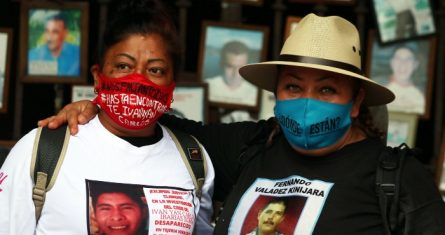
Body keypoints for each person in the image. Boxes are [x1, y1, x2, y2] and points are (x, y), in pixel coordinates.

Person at [39, 13, 445, 234]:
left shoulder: (396, 177)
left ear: (356, 102)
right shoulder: (252, 145)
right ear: (276, 93)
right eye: (292, 86)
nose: (305, 102)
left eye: (326, 91)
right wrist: (96, 104)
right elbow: (153, 122)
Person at [0, 0, 215, 234]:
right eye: (123, 66)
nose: (137, 80)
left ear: (173, 85)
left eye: (155, 70)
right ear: (98, 78)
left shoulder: (194, 162)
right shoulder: (42, 151)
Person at [205, 40, 257, 106]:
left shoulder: (254, 93)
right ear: (221, 64)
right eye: (230, 67)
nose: (235, 74)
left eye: (240, 67)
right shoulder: (207, 87)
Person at [384, 45, 425, 114]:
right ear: (392, 63)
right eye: (398, 59)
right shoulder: (381, 89)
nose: (403, 64)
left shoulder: (419, 97)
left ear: (415, 65)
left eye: (408, 60)